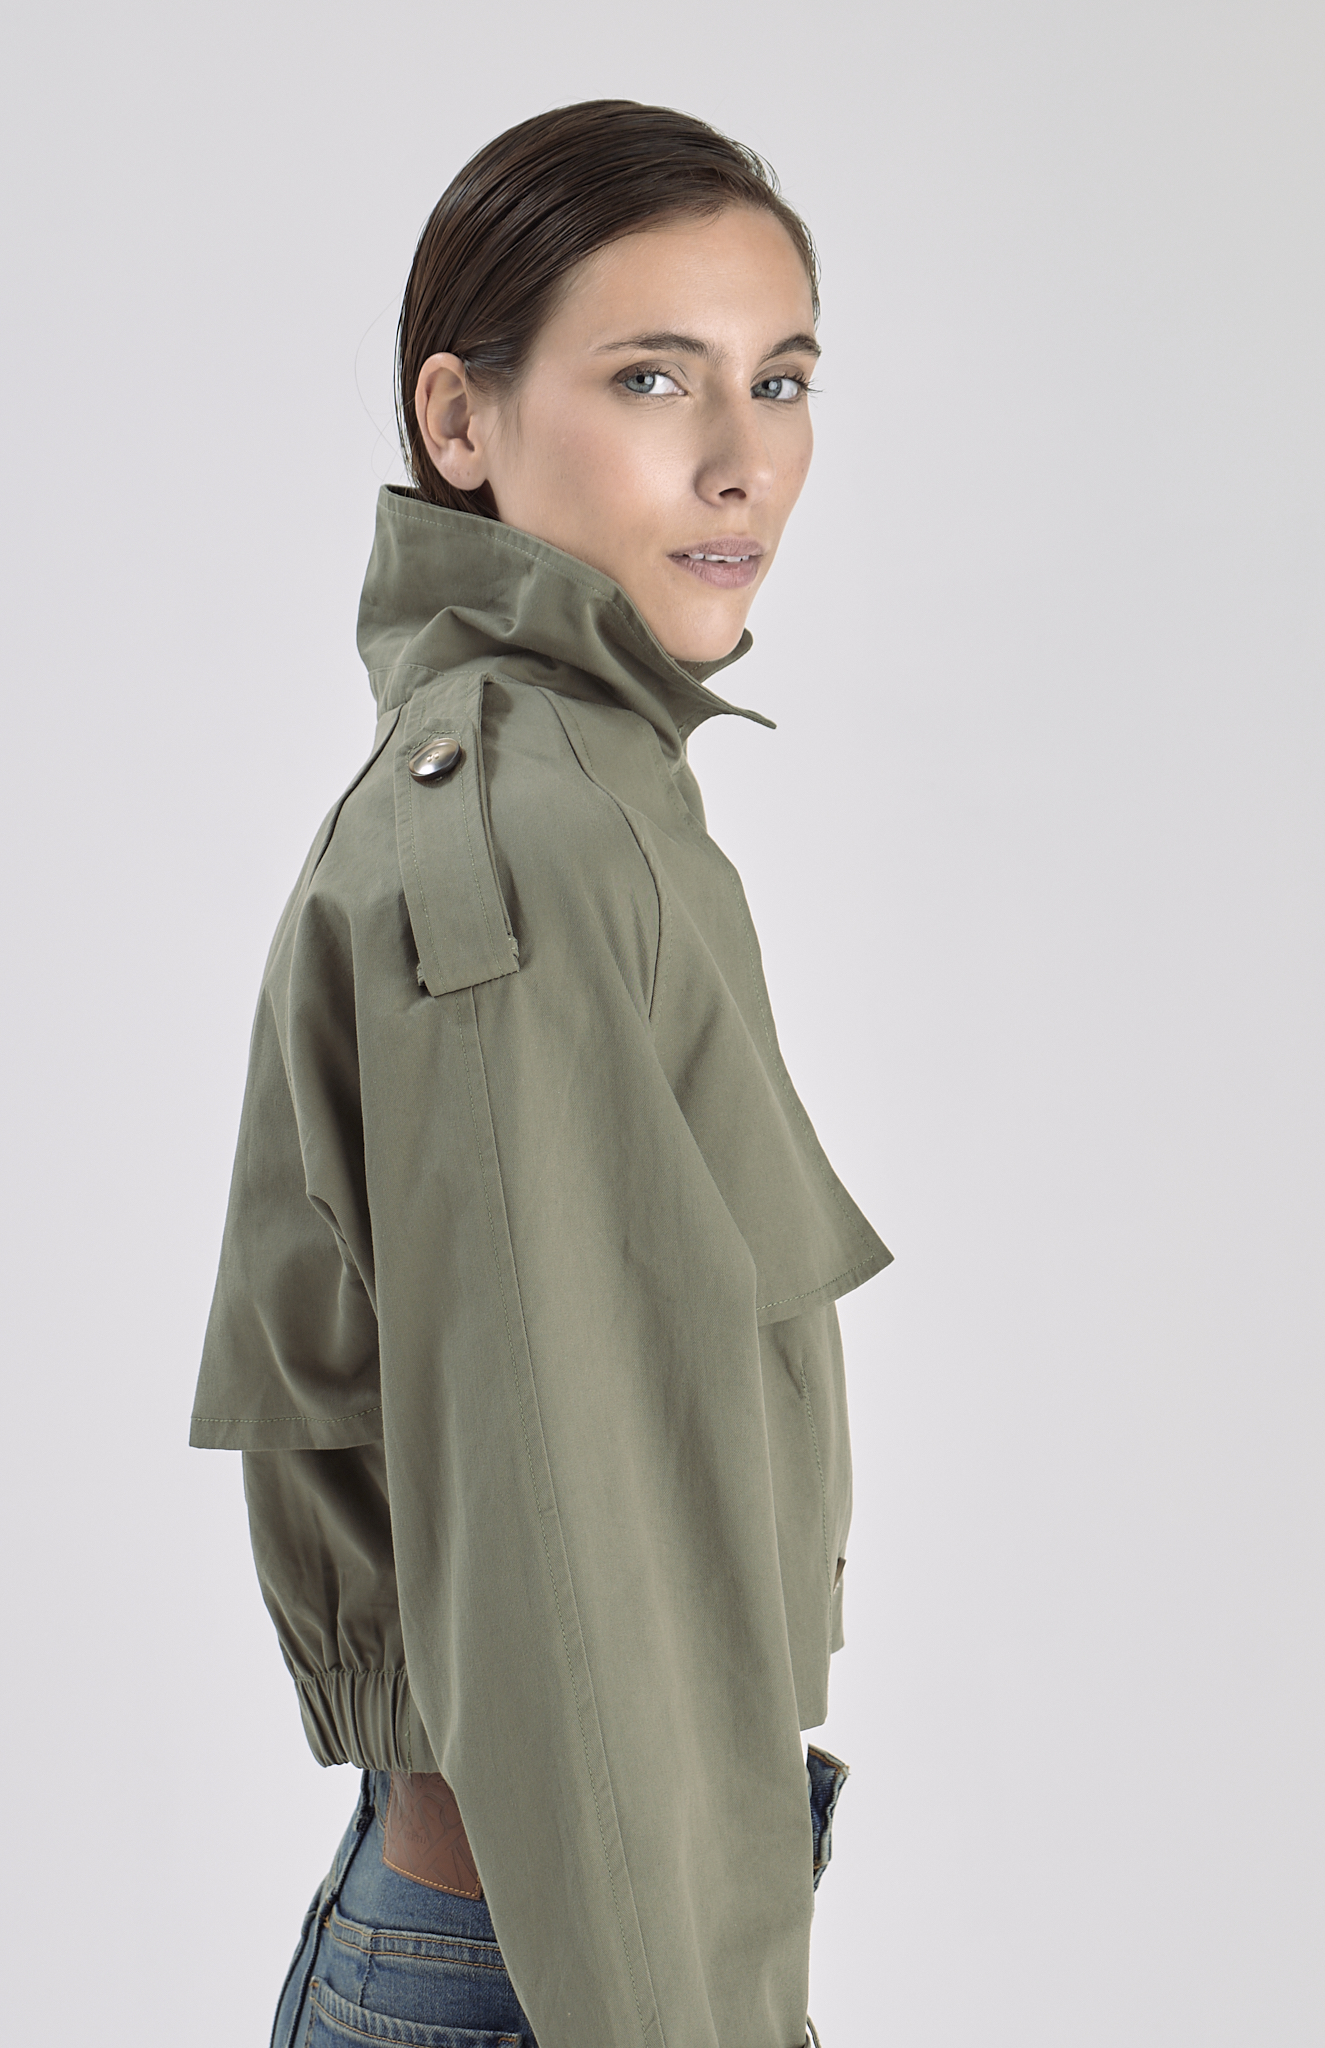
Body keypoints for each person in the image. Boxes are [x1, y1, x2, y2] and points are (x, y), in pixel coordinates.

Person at [190, 98, 891, 2048]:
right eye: (652, 377)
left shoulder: (563, 780)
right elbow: (563, 1549)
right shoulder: (524, 834)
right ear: (459, 420)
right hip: (566, 1967)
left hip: (537, 1942)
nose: (741, 459)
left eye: (780, 380)